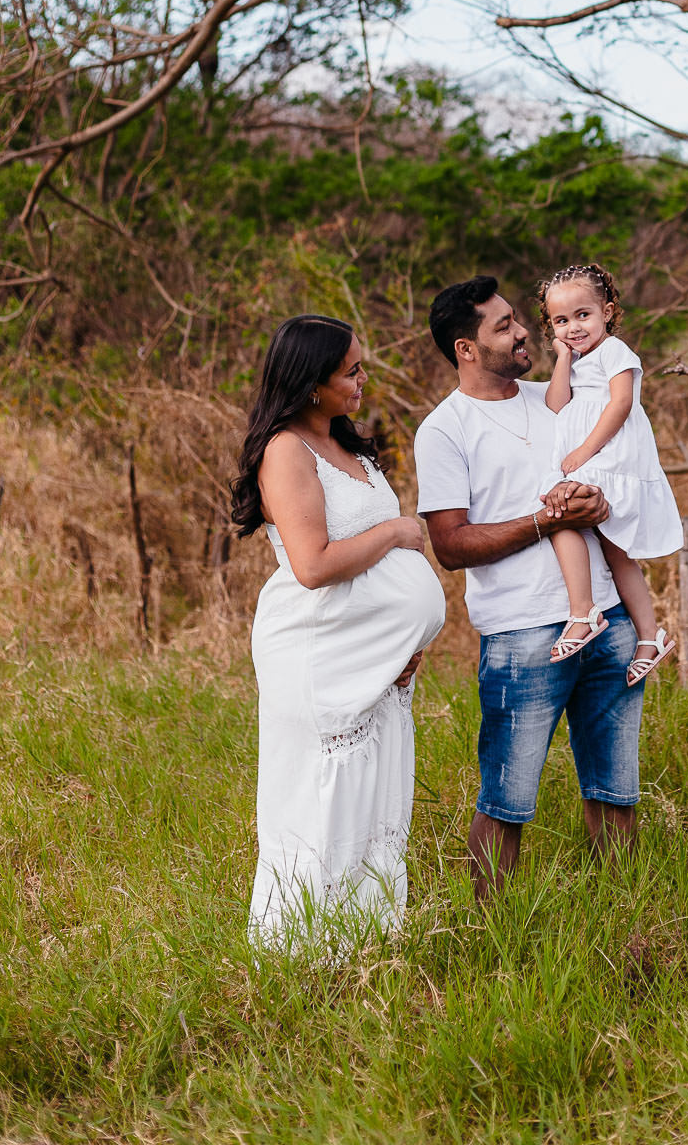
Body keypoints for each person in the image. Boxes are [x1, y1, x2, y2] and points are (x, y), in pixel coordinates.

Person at [414, 275, 645, 899]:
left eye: (518, 319)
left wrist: (600, 502)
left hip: (610, 620)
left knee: (616, 792)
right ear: (466, 348)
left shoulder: (561, 398)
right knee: (506, 799)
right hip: (522, 635)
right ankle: (490, 934)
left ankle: (625, 921)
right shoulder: (445, 430)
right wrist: (545, 519)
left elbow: (624, 466)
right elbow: (450, 544)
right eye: (503, 326)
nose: (524, 332)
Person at [232, 313, 446, 946]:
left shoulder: (348, 443)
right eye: (350, 371)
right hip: (319, 652)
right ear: (310, 382)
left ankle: (365, 944)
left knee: (375, 795)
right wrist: (398, 532)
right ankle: (303, 953)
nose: (363, 380)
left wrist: (402, 644)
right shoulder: (285, 451)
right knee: (324, 797)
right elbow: (314, 564)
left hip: (372, 660)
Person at [539, 261, 681, 680]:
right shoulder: (577, 361)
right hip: (593, 461)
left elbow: (622, 404)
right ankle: (651, 635)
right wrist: (563, 358)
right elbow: (555, 402)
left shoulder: (615, 352)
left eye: (583, 315)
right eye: (560, 321)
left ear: (608, 311)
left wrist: (583, 452)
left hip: (612, 459)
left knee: (560, 517)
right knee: (616, 554)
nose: (573, 327)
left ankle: (583, 613)